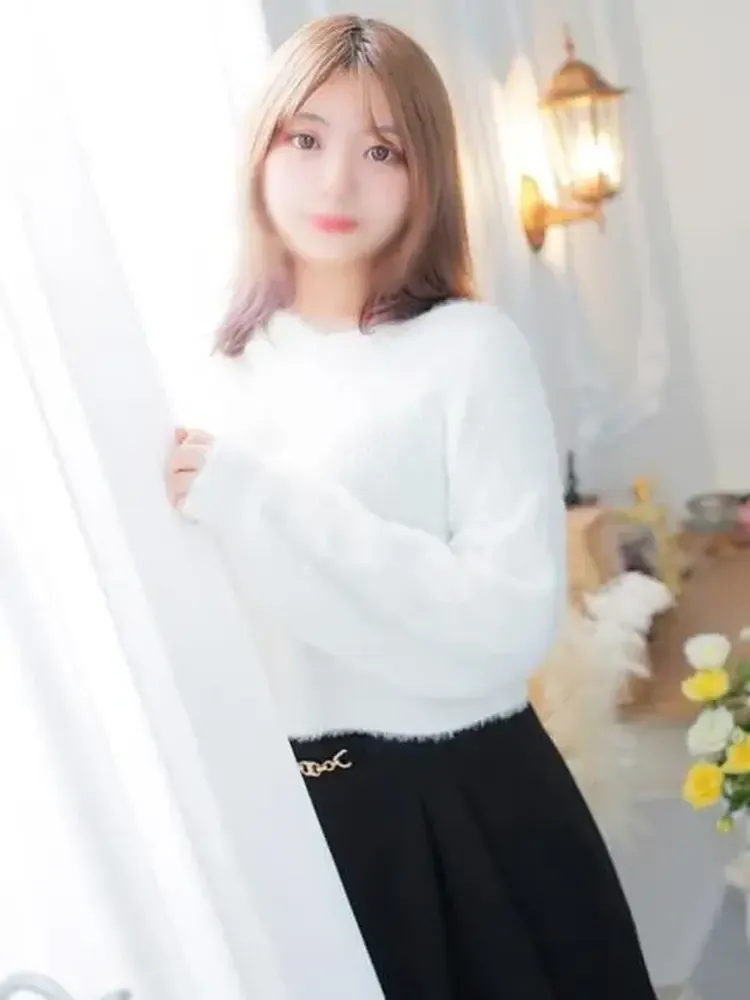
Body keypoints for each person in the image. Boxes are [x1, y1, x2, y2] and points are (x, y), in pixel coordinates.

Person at [165, 14, 657, 999]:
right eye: (306, 139)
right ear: (259, 149)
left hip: (467, 811)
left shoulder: (469, 350)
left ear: (426, 173)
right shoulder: (208, 374)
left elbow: (508, 620)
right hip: (290, 824)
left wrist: (262, 502)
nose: (336, 184)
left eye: (381, 150)